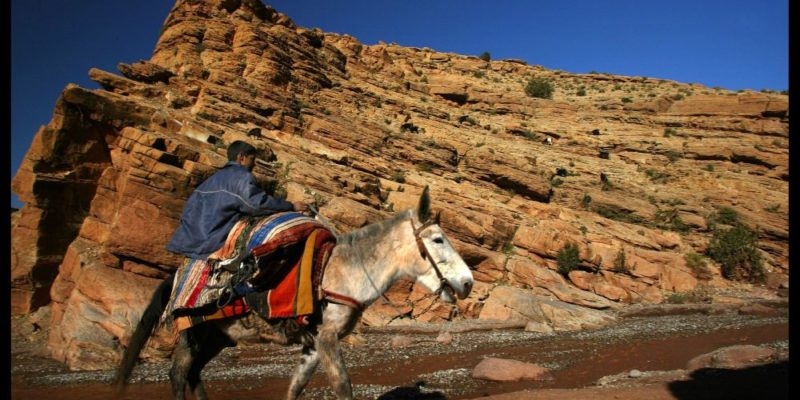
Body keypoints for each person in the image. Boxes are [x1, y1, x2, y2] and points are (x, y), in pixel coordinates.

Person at [167, 140, 307, 260]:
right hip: (210, 246)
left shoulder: (210, 181)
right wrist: (291, 206)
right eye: (252, 160)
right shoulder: (241, 177)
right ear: (242, 158)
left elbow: (187, 213)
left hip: (187, 243)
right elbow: (256, 204)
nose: (254, 165)